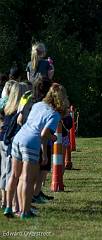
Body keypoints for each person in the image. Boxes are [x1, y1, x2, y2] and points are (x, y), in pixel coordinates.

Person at [4, 83, 69, 219]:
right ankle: (25, 212)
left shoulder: (38, 104)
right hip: (31, 143)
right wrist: (54, 137)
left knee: (15, 176)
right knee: (27, 179)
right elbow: (44, 134)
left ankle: (9, 207)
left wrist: (44, 152)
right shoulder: (55, 114)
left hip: (19, 137)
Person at [0, 82, 30, 216]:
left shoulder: (7, 107)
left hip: (4, 142)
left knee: (7, 174)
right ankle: (15, 205)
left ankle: (6, 203)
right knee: (16, 176)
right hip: (14, 144)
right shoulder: (20, 110)